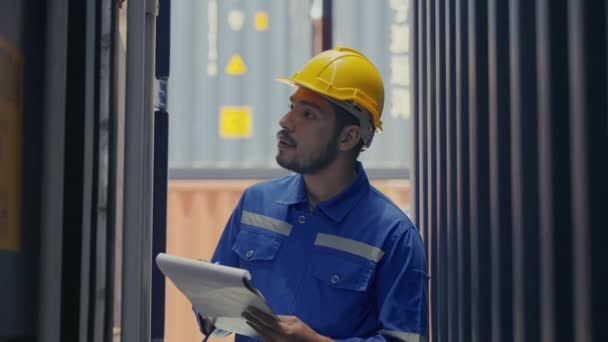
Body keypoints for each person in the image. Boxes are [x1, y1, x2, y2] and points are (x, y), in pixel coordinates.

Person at [194, 47, 428, 342]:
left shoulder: (394, 236)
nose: (285, 121)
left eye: (307, 114)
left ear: (348, 137)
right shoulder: (255, 203)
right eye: (292, 106)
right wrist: (208, 309)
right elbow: (218, 312)